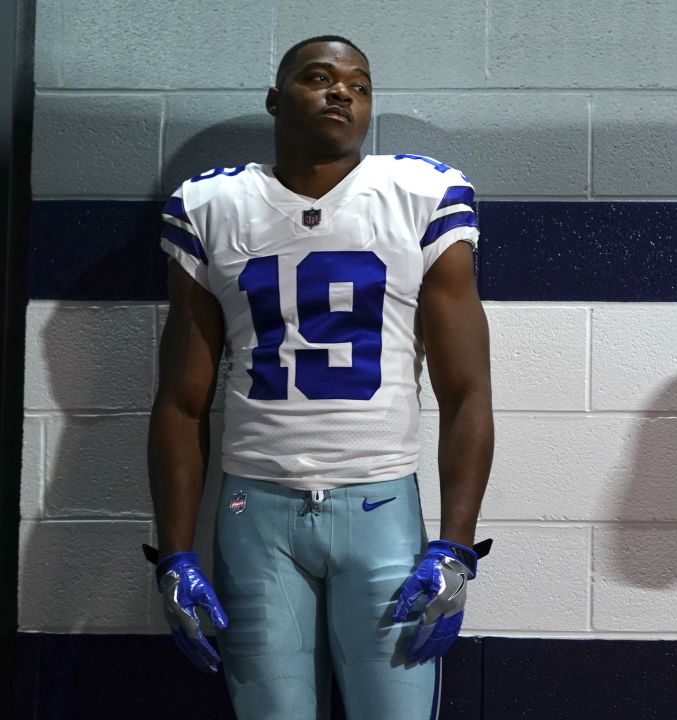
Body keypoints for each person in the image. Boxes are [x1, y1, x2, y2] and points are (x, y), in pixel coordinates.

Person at [146, 35, 494, 719]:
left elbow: (467, 392)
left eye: (360, 85)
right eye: (319, 77)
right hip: (256, 510)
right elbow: (182, 402)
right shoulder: (214, 206)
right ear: (276, 99)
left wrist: (456, 546)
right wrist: (175, 554)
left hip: (381, 503)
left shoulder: (420, 195)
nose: (342, 92)